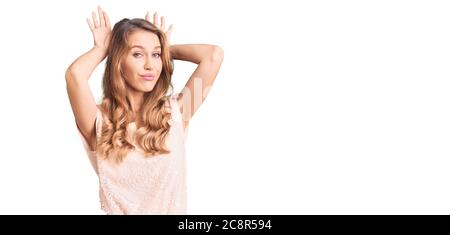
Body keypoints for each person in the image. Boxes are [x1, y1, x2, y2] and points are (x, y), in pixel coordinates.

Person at [65, 6, 224, 215]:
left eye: (156, 55)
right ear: (119, 62)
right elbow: (74, 75)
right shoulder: (99, 121)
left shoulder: (177, 112)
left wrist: (166, 48)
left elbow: (213, 55)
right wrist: (102, 49)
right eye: (138, 54)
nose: (150, 65)